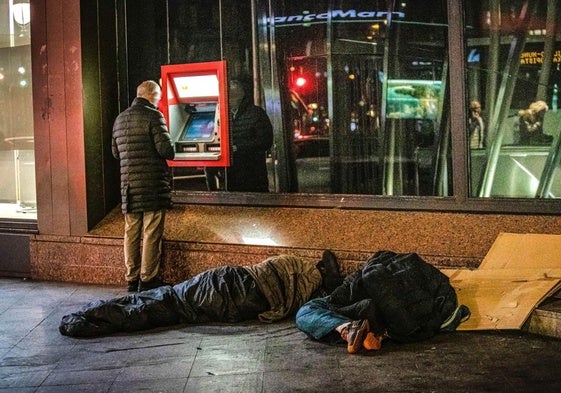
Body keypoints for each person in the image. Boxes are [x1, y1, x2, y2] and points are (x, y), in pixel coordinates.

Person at [59, 251, 343, 338]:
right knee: (160, 303)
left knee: (160, 302)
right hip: (230, 290)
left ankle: (93, 315)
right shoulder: (303, 279)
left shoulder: (296, 267)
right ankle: (92, 316)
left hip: (226, 286)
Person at [296, 251, 470, 354]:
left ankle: (347, 329)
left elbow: (367, 274)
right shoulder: (423, 293)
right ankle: (358, 331)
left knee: (306, 311)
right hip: (381, 314)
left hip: (370, 306)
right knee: (318, 310)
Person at [111, 80, 175, 293]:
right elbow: (166, 150)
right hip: (152, 185)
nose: (159, 101)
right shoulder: (153, 116)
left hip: (128, 186)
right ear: (153, 95)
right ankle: (148, 279)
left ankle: (131, 278)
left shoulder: (120, 118)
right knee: (151, 231)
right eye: (158, 97)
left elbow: (115, 153)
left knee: (131, 232)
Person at [206, 76, 274, 192]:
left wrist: (238, 147)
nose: (228, 99)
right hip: (232, 174)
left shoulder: (256, 113)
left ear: (240, 96)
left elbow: (265, 141)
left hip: (252, 173)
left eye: (231, 96)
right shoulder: (223, 115)